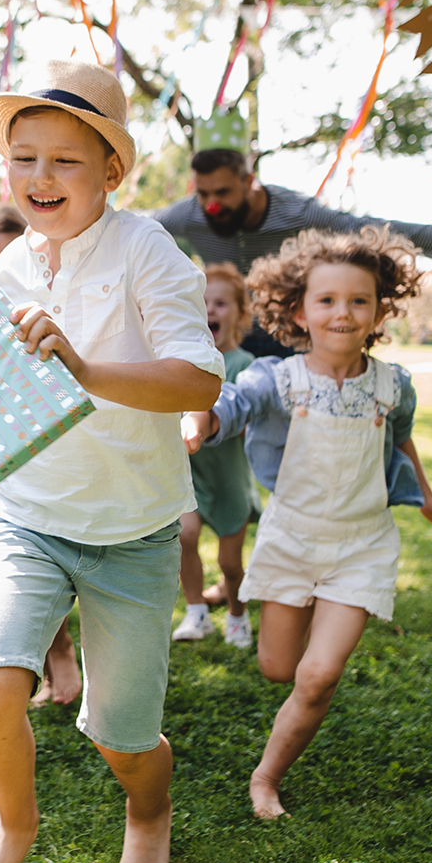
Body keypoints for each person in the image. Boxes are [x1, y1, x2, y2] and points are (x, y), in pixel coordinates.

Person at [0, 59, 225, 863]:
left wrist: (87, 368)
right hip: (28, 517)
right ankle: (13, 827)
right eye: (24, 158)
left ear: (110, 171)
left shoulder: (146, 250)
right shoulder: (7, 267)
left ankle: (148, 812)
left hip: (133, 531)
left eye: (64, 160)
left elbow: (200, 380)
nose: (40, 178)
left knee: (121, 738)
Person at [183, 226, 432, 820]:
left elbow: (400, 442)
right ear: (298, 309)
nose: (343, 313)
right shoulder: (276, 379)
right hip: (290, 539)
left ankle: (266, 778)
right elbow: (232, 408)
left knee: (316, 676)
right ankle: (309, 628)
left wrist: (428, 499)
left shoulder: (394, 386)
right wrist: (201, 421)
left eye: (359, 301)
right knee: (277, 668)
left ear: (380, 309)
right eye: (327, 300)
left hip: (362, 546)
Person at [152, 149, 432, 357]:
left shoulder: (298, 212)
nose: (211, 204)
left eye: (222, 193)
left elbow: (381, 229)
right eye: (203, 193)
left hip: (289, 330)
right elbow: (137, 228)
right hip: (229, 334)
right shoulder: (190, 214)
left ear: (250, 182)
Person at [0, 202, 82, 708]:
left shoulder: (48, 314)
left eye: (0, 265)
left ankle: (68, 655)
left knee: (54, 559)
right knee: (2, 559)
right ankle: (54, 652)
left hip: (52, 464)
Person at [173, 264, 264, 647]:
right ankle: (196, 613)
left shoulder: (247, 366)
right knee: (184, 537)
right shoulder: (181, 362)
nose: (210, 310)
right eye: (202, 302)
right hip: (190, 475)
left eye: (221, 303)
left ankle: (237, 617)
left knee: (230, 562)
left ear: (241, 314)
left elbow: (250, 417)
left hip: (229, 480)